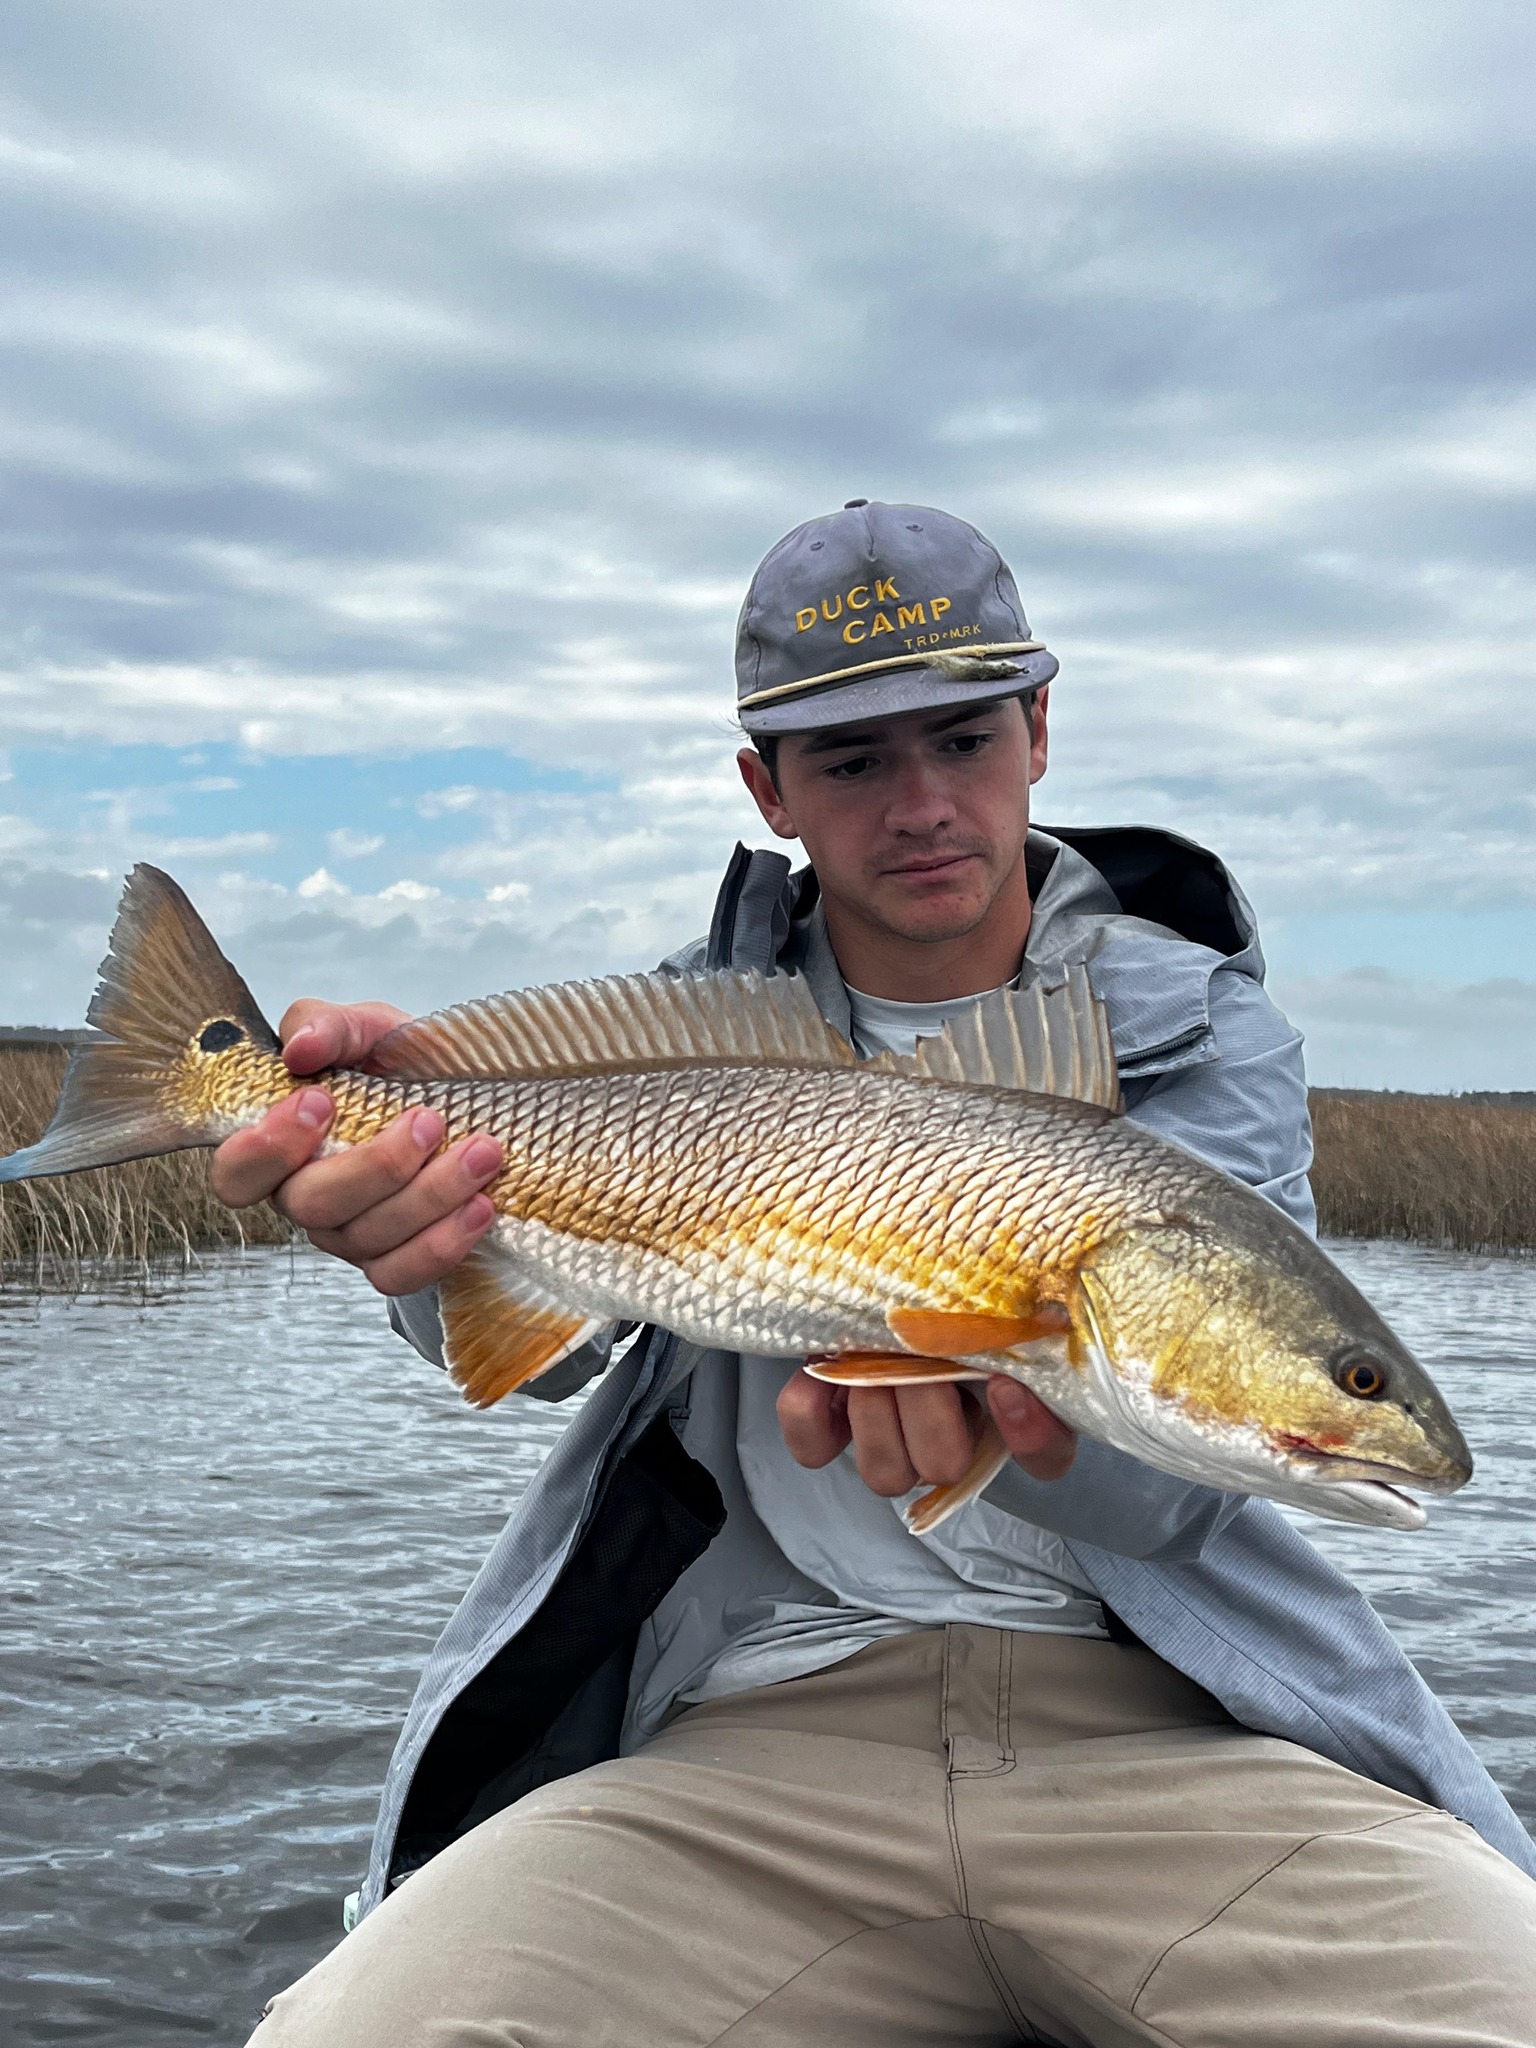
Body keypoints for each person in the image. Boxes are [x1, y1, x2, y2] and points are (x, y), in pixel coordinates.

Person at [228, 502, 1536, 2047]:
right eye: (851, 759)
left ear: (1041, 729)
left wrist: (1027, 1440)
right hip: (751, 1731)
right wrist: (396, 1229)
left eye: (964, 736)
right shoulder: (679, 1026)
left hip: (1175, 1737)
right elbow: (537, 1343)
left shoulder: (1209, 1032)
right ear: (766, 788)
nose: (920, 802)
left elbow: (1181, 1495)